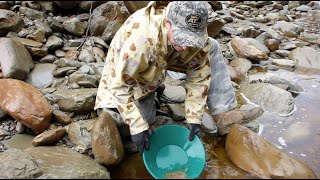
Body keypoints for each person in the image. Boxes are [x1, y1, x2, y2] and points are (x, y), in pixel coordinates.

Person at [94, 1, 264, 154]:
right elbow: (120, 86)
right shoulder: (140, 41)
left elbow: (199, 76)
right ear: (167, 22)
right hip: (129, 72)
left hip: (165, 58)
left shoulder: (194, 37)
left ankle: (222, 112)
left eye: (191, 38)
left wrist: (194, 116)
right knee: (137, 123)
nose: (185, 46)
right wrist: (137, 125)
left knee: (212, 47)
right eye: (182, 36)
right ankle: (143, 97)